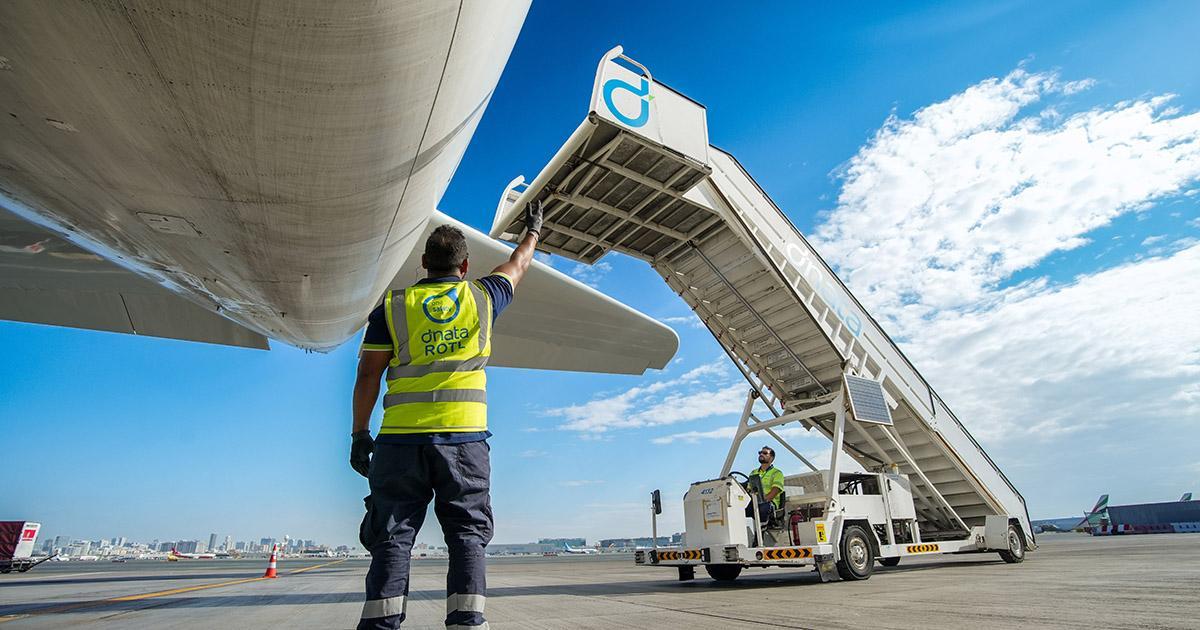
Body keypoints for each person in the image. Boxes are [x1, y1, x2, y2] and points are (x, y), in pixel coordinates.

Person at [349, 201, 543, 629]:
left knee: (393, 538)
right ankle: (467, 623)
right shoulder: (483, 297)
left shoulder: (393, 307)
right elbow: (518, 265)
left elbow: (368, 375)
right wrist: (533, 233)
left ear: (423, 263)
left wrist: (360, 433)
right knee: (466, 535)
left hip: (400, 441)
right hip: (465, 441)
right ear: (465, 264)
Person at [746, 446, 785, 524]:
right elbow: (749, 489)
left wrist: (763, 500)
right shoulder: (754, 472)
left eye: (764, 453)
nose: (761, 454)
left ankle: (761, 529)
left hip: (769, 503)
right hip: (754, 502)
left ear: (771, 458)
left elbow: (775, 490)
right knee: (742, 510)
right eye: (760, 453)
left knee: (763, 507)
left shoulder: (777, 473)